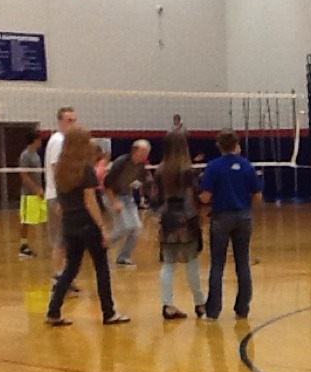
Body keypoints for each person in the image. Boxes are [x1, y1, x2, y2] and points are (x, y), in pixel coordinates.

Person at [46, 127, 130, 327]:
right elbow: (90, 201)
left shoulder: (60, 170)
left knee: (70, 268)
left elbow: (62, 201)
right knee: (101, 268)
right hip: (87, 224)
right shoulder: (86, 170)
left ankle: (53, 311)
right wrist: (102, 227)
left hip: (70, 224)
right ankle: (109, 312)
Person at [198, 128, 262, 320]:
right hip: (244, 217)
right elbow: (257, 196)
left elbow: (205, 197)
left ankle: (213, 311)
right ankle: (242, 309)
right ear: (236, 144)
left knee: (217, 264)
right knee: (243, 262)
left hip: (221, 217)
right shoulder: (247, 166)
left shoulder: (213, 167)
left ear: (219, 146)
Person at [152, 132, 204, 320]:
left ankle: (167, 305)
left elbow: (155, 200)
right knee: (192, 263)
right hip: (186, 221)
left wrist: (158, 218)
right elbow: (193, 198)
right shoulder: (188, 171)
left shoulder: (160, 171)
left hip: (167, 221)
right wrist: (197, 219)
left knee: (168, 264)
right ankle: (200, 303)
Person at [104, 139, 151, 267]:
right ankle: (102, 244)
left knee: (136, 228)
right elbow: (107, 185)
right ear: (135, 151)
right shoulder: (121, 162)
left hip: (127, 197)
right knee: (124, 227)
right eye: (144, 151)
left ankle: (123, 257)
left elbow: (138, 182)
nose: (146, 154)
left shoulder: (141, 166)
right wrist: (115, 203)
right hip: (113, 196)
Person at [44, 106, 78, 281]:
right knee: (60, 240)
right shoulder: (59, 141)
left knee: (65, 240)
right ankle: (58, 278)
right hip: (58, 197)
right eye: (69, 120)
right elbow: (57, 170)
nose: (72, 124)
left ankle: (63, 277)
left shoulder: (65, 141)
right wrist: (61, 200)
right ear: (60, 122)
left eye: (74, 120)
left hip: (61, 196)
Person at [17, 130, 47, 258]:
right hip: (28, 194)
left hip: (38, 193)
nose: (40, 142)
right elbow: (24, 174)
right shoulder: (25, 155)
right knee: (26, 220)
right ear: (34, 140)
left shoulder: (36, 155)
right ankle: (23, 246)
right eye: (39, 139)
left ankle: (56, 243)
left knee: (45, 217)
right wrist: (35, 188)